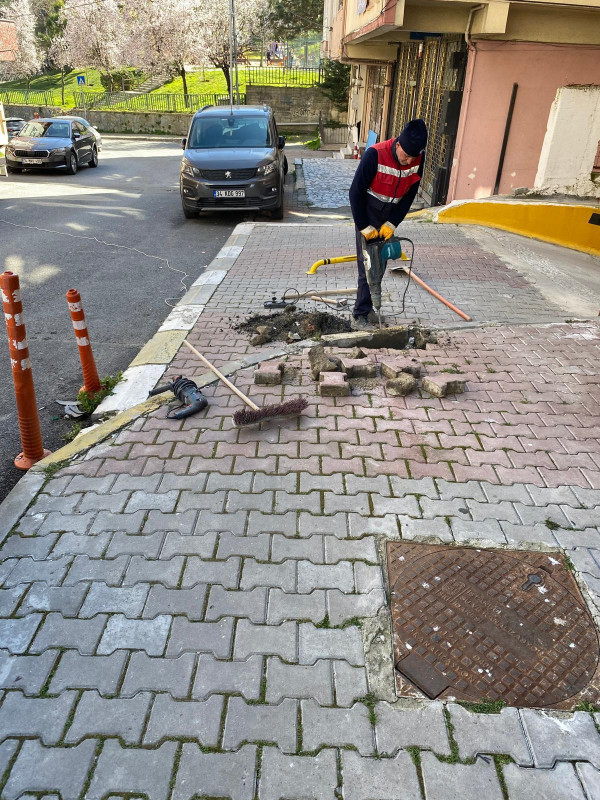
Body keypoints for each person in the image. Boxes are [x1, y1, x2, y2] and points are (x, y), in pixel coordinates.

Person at [348, 119, 427, 330]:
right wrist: (363, 226)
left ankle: (369, 309)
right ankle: (359, 315)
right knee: (368, 266)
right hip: (368, 212)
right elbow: (355, 192)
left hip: (389, 215)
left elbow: (410, 194)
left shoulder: (418, 159)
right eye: (406, 155)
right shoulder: (375, 154)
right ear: (398, 144)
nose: (408, 161)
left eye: (413, 157)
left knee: (380, 265)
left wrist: (393, 223)